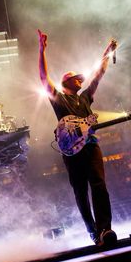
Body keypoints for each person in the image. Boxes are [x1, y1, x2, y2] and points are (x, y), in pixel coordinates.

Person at [38, 29, 118, 246]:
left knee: (99, 184)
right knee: (81, 192)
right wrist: (42, 49)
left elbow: (98, 75)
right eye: (76, 78)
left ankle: (105, 229)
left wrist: (106, 53)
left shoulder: (85, 98)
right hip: (71, 150)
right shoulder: (59, 99)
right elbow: (44, 78)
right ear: (66, 82)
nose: (80, 80)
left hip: (91, 146)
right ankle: (93, 233)